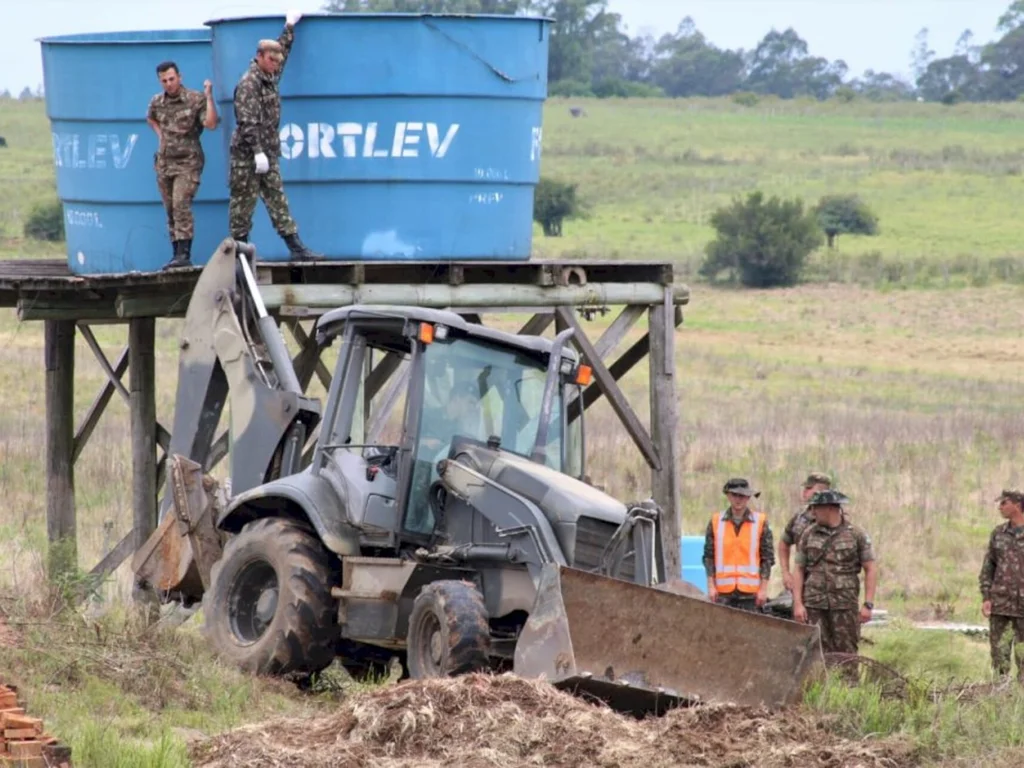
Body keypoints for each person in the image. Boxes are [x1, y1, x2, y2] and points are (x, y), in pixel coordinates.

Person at [228, 9, 320, 260]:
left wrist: (289, 26)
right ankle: (240, 254)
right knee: (242, 206)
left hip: (267, 152)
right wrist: (257, 152)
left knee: (278, 200)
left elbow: (283, 51)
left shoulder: (269, 74)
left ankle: (296, 247)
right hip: (248, 155)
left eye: (277, 61)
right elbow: (247, 122)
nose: (276, 65)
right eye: (272, 60)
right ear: (259, 57)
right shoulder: (250, 83)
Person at [146, 61, 218, 269]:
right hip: (165, 163)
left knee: (180, 204)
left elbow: (211, 124)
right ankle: (176, 253)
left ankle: (184, 253)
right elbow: (151, 119)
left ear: (180, 77)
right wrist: (161, 138)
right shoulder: (157, 102)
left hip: (188, 162)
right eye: (164, 81)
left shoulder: (195, 99)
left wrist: (209, 97)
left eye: (171, 79)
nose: (169, 84)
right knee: (170, 209)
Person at [792, 490, 877, 655]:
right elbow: (799, 569)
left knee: (847, 653)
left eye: (816, 508)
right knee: (816, 653)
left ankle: (847, 682)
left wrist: (868, 604)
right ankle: (821, 682)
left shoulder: (856, 535)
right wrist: (797, 603)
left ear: (830, 508)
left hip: (844, 605)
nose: (813, 512)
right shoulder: (808, 534)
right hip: (814, 605)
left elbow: (871, 569)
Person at [703, 478, 774, 613]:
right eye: (734, 495)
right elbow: (709, 556)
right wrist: (711, 586)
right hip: (723, 593)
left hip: (750, 595)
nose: (738, 499)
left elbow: (767, 558)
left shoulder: (760, 522)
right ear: (728, 496)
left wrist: (763, 589)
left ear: (748, 497)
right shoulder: (716, 521)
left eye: (742, 496)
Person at [978, 489, 1024, 682]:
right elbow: (988, 567)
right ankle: (1000, 698)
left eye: (1004, 503)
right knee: (999, 658)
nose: (1000, 507)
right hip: (1001, 605)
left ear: (1017, 505)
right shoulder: (998, 534)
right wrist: (987, 597)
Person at [778, 472, 833, 592]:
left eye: (809, 488)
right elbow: (783, 543)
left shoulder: (834, 518)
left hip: (827, 588)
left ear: (822, 492)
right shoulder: (800, 517)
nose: (804, 492)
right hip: (801, 583)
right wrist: (786, 573)